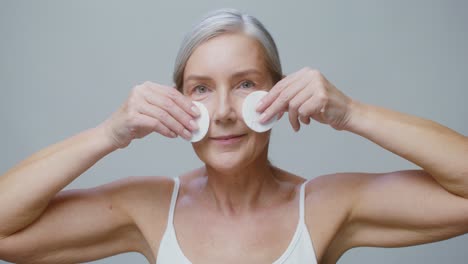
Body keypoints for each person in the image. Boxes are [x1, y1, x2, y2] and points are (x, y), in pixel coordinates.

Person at [0, 8, 467, 264]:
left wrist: (351, 112)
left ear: (279, 93)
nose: (223, 111)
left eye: (245, 84)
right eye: (201, 89)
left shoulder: (325, 207)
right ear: (178, 100)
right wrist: (111, 132)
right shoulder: (149, 209)